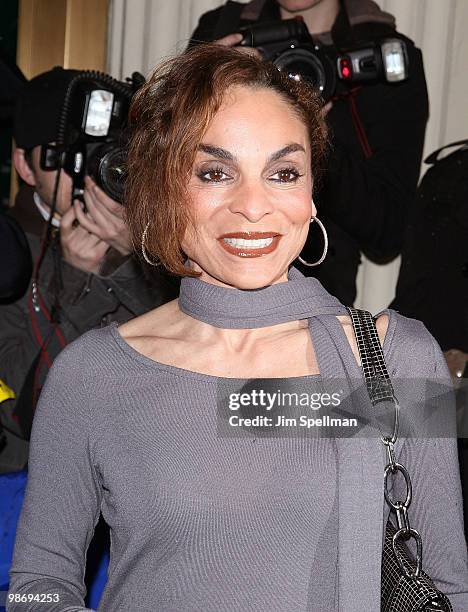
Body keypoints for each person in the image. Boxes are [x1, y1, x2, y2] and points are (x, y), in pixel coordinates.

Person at [7, 45, 467, 611]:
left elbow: (448, 585)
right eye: (215, 172)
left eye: (283, 173)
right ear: (164, 190)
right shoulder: (92, 373)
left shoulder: (400, 361)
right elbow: (38, 580)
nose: (254, 205)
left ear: (310, 196)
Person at [188, 0, 429, 306]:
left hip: (315, 298)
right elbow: (168, 167)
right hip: (206, 286)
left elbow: (387, 233)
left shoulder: (384, 56)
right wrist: (206, 87)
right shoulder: (224, 30)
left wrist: (315, 138)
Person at [0, 67, 179, 473]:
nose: (82, 172)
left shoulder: (156, 244)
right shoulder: (8, 258)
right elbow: (23, 416)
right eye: (64, 156)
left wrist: (138, 256)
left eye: (99, 152)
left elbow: (188, 366)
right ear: (25, 167)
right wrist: (80, 280)